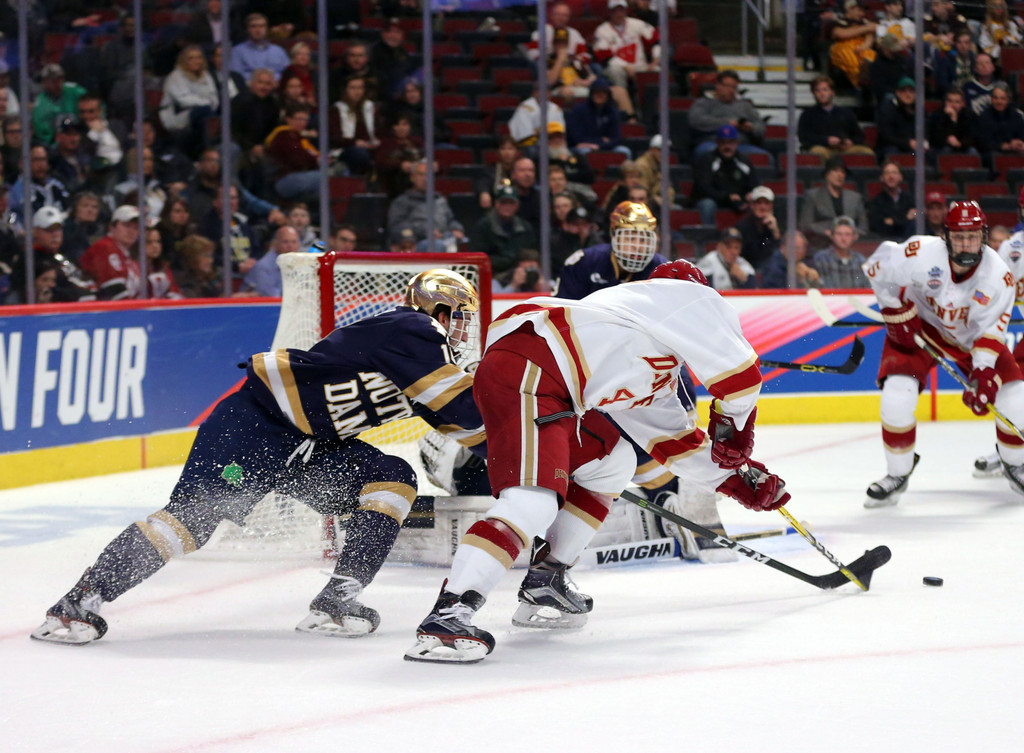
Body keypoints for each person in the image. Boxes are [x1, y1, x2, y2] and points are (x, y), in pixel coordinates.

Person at [32, 269, 487, 645]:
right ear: (437, 308)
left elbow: (468, 430)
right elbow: (462, 410)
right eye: (460, 315)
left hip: (311, 449)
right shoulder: (414, 329)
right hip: (252, 429)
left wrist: (526, 475)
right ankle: (79, 602)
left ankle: (338, 596)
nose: (464, 327)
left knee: (391, 477)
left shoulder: (424, 361)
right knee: (192, 522)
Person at [405, 258, 790, 663]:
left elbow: (674, 442)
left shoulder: (648, 358)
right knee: (532, 500)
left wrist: (736, 480)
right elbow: (741, 375)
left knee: (613, 460)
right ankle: (448, 616)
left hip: (542, 377)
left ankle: (546, 579)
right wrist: (735, 428)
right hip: (532, 367)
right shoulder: (681, 296)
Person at [862, 201, 1024, 506]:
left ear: (984, 236)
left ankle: (1015, 464)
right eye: (960, 236)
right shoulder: (919, 252)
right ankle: (898, 472)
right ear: (946, 236)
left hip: (971, 341)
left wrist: (984, 373)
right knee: (897, 397)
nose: (966, 243)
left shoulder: (999, 277)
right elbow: (876, 267)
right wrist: (895, 312)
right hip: (921, 330)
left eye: (973, 236)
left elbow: (990, 333)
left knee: (1016, 397)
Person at [554, 201, 667, 298]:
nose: (637, 246)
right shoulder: (584, 262)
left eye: (643, 240)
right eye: (631, 238)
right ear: (614, 235)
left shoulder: (662, 269)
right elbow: (562, 310)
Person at [689, 70, 770, 163]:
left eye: (734, 87)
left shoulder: (745, 106)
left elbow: (761, 126)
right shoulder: (703, 103)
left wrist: (750, 127)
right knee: (705, 152)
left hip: (741, 145)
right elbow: (696, 121)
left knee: (766, 157)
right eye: (728, 86)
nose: (731, 90)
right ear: (718, 85)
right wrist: (728, 123)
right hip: (713, 143)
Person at [386, 160, 465, 251]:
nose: (425, 179)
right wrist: (425, 232)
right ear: (413, 177)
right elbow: (396, 226)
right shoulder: (402, 202)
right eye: (421, 174)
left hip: (444, 239)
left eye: (429, 175)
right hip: (418, 243)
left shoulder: (440, 200)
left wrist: (456, 228)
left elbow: (450, 220)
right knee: (437, 245)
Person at [159, 45, 220, 159]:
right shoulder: (176, 76)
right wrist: (206, 103)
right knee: (204, 112)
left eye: (198, 57)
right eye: (191, 58)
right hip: (178, 116)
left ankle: (208, 150)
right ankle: (208, 149)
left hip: (203, 114)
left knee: (208, 116)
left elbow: (214, 98)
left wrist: (207, 104)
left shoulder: (205, 75)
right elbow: (183, 100)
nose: (196, 61)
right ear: (184, 60)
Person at [691, 125, 758, 227]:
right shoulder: (707, 160)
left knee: (758, 203)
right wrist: (727, 197)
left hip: (738, 201)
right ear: (717, 143)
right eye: (723, 143)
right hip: (714, 200)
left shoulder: (744, 161)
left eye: (731, 142)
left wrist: (748, 196)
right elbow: (703, 188)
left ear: (737, 143)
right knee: (707, 204)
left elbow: (754, 184)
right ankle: (708, 237)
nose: (727, 147)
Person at [592, 0, 660, 101]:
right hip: (617, 67)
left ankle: (654, 105)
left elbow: (656, 41)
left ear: (626, 11)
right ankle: (623, 104)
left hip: (640, 65)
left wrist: (655, 60)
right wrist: (626, 66)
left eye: (621, 10)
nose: (619, 13)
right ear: (610, 12)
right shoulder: (602, 31)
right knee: (615, 71)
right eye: (616, 10)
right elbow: (604, 58)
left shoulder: (637, 24)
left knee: (658, 71)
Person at [797, 75, 873, 160]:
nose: (821, 94)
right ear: (814, 94)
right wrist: (826, 141)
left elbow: (859, 135)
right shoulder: (807, 115)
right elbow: (804, 137)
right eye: (817, 91)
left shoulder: (846, 113)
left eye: (825, 90)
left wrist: (851, 141)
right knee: (818, 152)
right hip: (823, 148)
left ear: (832, 92)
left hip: (845, 149)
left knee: (867, 152)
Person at [799, 156, 868, 248]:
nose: (839, 175)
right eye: (835, 170)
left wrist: (852, 234)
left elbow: (863, 226)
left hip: (851, 244)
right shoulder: (813, 196)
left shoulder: (855, 198)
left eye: (842, 172)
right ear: (827, 174)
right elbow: (805, 225)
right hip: (822, 243)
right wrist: (826, 232)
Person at [468, 184, 537, 276]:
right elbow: (477, 258)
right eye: (504, 202)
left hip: (520, 274)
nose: (507, 206)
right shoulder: (483, 226)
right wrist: (506, 261)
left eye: (511, 203)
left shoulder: (525, 227)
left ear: (517, 205)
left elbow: (532, 254)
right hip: (490, 275)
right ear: (496, 204)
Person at [78, 205, 142, 300]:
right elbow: (116, 291)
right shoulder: (104, 248)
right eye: (126, 225)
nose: (131, 231)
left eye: (136, 227)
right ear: (112, 227)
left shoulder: (125, 253)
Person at [265, 102, 320, 200]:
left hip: (302, 175)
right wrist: (315, 161)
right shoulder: (283, 134)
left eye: (305, 119)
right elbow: (298, 160)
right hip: (284, 179)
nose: (303, 122)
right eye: (299, 119)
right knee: (323, 178)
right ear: (288, 119)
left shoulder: (301, 138)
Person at [565, 77, 629, 157]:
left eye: (603, 92)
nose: (600, 95)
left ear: (608, 95)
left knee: (624, 151)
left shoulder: (612, 111)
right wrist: (601, 140)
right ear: (591, 94)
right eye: (597, 92)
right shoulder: (579, 110)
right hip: (583, 147)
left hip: (604, 146)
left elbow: (617, 138)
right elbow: (577, 138)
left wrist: (599, 145)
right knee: (584, 151)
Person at [328, 76, 378, 176]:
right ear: (345, 90)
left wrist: (377, 141)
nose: (357, 91)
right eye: (353, 88)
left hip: (370, 147)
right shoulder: (337, 109)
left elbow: (379, 131)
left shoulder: (370, 107)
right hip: (346, 149)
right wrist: (355, 142)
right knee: (359, 153)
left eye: (360, 88)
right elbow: (335, 138)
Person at [32, 63, 87, 145]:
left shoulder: (74, 91)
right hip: (54, 143)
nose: (56, 83)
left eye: (59, 79)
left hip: (81, 136)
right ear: (44, 82)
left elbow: (92, 103)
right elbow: (41, 130)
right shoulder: (40, 102)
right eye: (52, 81)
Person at [241, 225, 301, 297]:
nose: (290, 246)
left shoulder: (303, 263)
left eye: (294, 242)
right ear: (275, 244)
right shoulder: (264, 266)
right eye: (285, 242)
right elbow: (270, 295)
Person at [828, 1, 875, 90]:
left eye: (863, 11)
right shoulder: (839, 22)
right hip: (844, 48)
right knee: (849, 58)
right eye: (859, 10)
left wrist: (864, 46)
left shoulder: (865, 23)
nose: (862, 14)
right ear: (849, 9)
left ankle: (866, 85)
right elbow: (841, 34)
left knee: (870, 56)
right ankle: (859, 85)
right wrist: (866, 28)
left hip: (862, 48)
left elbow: (870, 37)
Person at [735, 185, 782, 272]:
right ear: (752, 205)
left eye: (766, 203)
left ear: (772, 206)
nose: (763, 207)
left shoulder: (778, 225)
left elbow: (781, 256)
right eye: (759, 203)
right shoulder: (742, 226)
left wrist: (775, 232)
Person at [231, 13, 289, 83]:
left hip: (276, 89)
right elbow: (236, 76)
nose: (258, 30)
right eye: (254, 26)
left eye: (262, 26)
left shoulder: (279, 51)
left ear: (267, 29)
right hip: (248, 90)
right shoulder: (238, 51)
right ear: (248, 29)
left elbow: (288, 74)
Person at [976, 82, 1024, 166]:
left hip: (1015, 150)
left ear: (1008, 100)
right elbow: (983, 143)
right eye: (996, 98)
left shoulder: (1016, 116)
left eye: (1003, 98)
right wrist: (1005, 146)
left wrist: (1019, 143)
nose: (999, 101)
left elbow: (1021, 135)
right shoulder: (984, 117)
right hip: (992, 153)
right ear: (991, 99)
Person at [868, 161, 916, 241]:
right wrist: (905, 218)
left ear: (901, 177)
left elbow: (914, 219)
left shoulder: (910, 199)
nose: (891, 176)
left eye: (894, 173)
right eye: (887, 173)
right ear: (882, 178)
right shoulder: (875, 202)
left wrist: (892, 221)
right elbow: (879, 228)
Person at [507, 83, 566, 150]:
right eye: (541, 91)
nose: (546, 94)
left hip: (552, 144)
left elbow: (560, 132)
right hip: (530, 146)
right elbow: (525, 136)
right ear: (535, 93)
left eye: (548, 91)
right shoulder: (525, 108)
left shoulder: (555, 109)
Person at [927, 86, 978, 160]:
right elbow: (936, 139)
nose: (953, 105)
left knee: (973, 151)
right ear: (945, 102)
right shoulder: (938, 115)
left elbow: (973, 137)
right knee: (946, 150)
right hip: (943, 148)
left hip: (963, 147)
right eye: (950, 101)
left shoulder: (969, 114)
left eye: (957, 102)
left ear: (963, 103)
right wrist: (952, 120)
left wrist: (960, 143)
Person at [875, 77, 919, 161]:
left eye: (911, 91)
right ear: (897, 93)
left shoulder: (918, 110)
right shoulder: (888, 108)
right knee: (893, 151)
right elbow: (886, 135)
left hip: (912, 149)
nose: (907, 94)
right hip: (891, 146)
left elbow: (925, 130)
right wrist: (907, 143)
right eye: (904, 91)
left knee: (925, 153)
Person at [141, 225, 182, 299]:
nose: (155, 246)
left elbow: (175, 293)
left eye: (158, 241)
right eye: (149, 242)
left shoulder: (164, 268)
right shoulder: (134, 269)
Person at [175, 234, 221, 298]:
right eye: (205, 256)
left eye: (210, 256)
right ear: (192, 258)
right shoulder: (185, 283)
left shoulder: (211, 279)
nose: (210, 260)